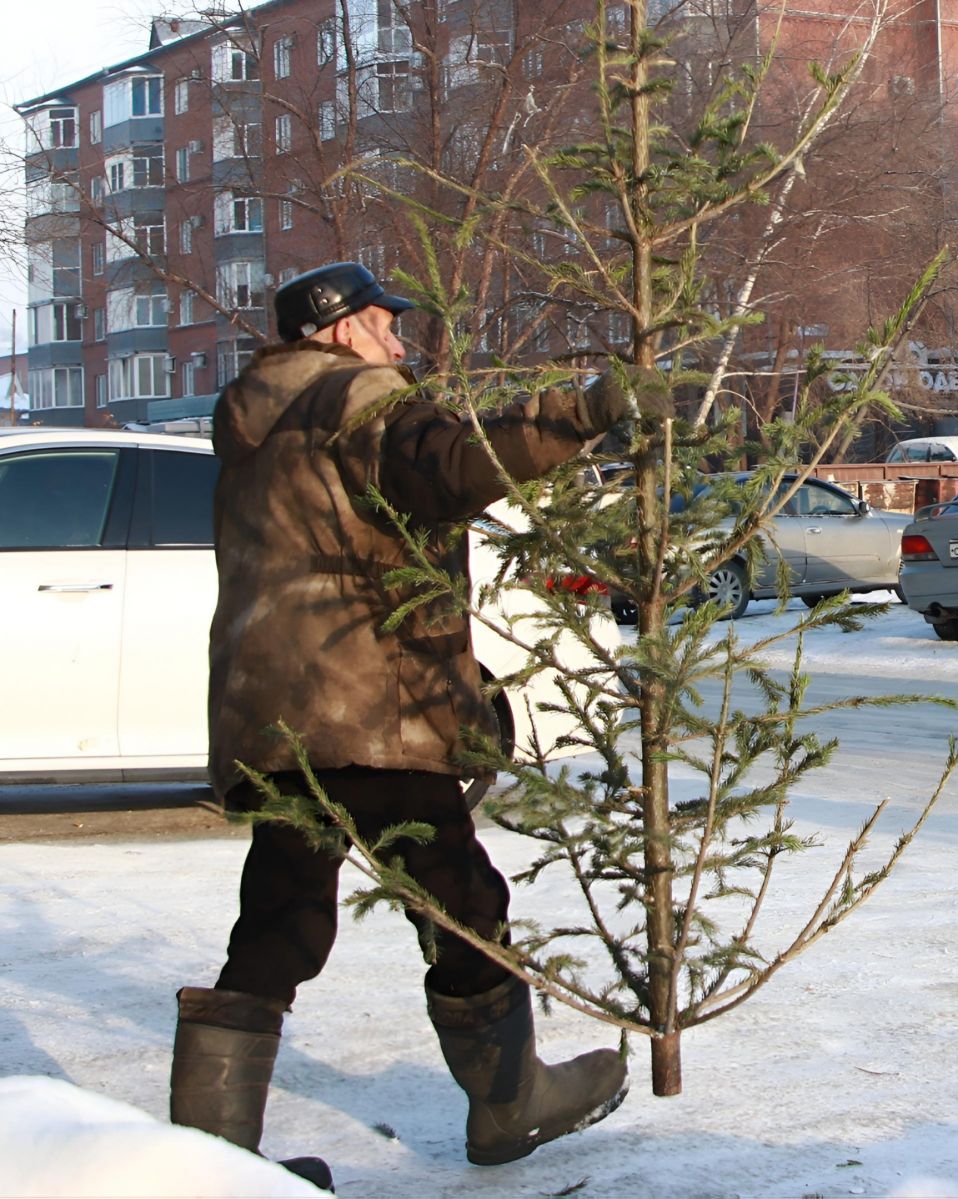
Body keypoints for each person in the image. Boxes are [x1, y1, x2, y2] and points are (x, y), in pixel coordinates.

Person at [169, 262, 665, 1186]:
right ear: (343, 329)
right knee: (460, 901)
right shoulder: (357, 399)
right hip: (365, 701)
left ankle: (209, 1154)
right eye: (385, 323)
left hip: (272, 707)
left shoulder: (253, 420)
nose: (400, 341)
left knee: (281, 913)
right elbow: (452, 465)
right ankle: (509, 1102)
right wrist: (590, 409)